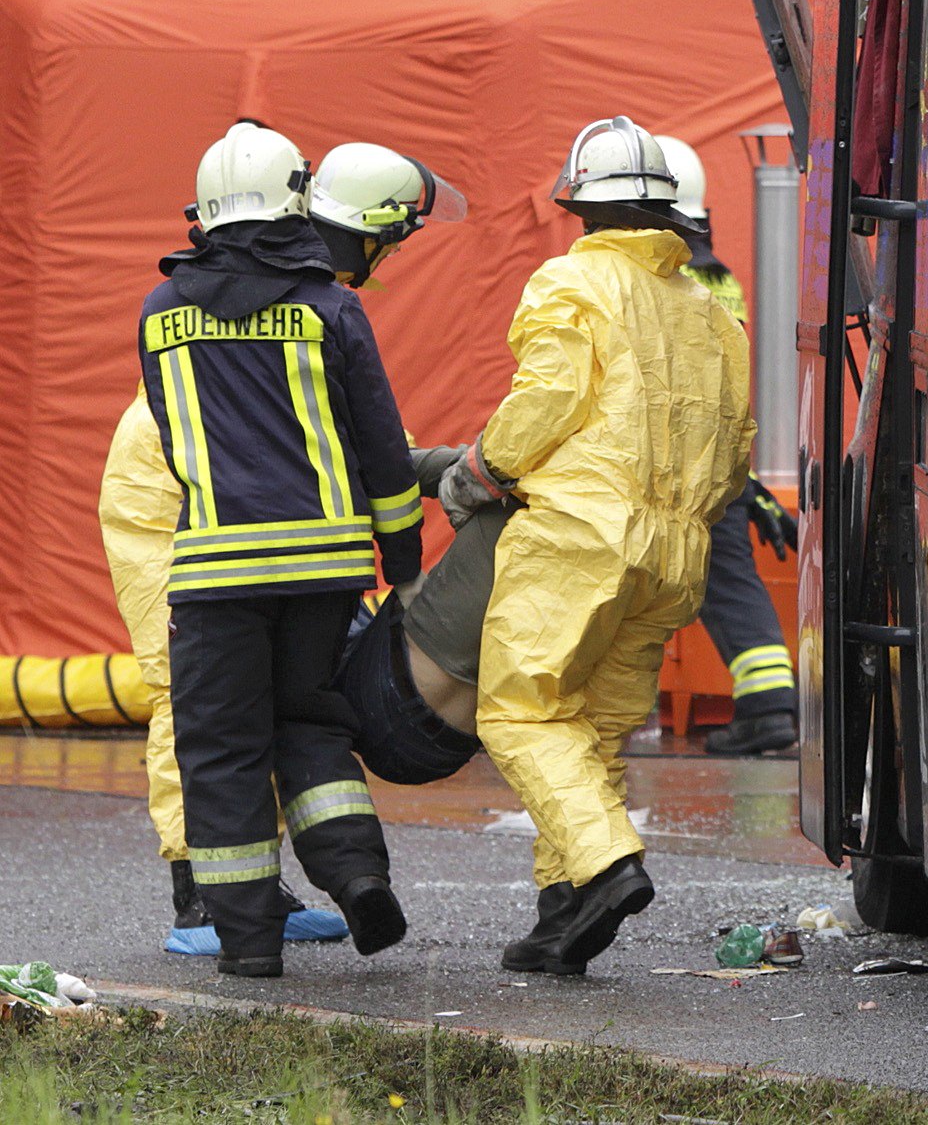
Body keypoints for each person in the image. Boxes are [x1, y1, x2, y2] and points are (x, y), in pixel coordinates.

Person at [103, 142, 467, 954]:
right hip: (317, 562)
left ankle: (242, 934)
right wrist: (402, 567)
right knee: (309, 718)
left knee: (222, 737)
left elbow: (193, 431)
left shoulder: (159, 312)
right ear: (296, 200)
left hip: (214, 559)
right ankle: (355, 875)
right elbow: (367, 444)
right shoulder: (329, 309)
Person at [440, 117, 752, 975]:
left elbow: (550, 394)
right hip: (673, 554)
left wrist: (482, 467)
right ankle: (565, 910)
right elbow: (735, 448)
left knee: (520, 708)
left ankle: (608, 864)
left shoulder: (569, 281)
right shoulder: (711, 311)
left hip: (579, 536)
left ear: (577, 205)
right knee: (593, 731)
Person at [655, 136, 798, 757]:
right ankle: (767, 707)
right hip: (719, 454)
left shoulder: (663, 279)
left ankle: (769, 708)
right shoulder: (716, 275)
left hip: (680, 460)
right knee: (728, 579)